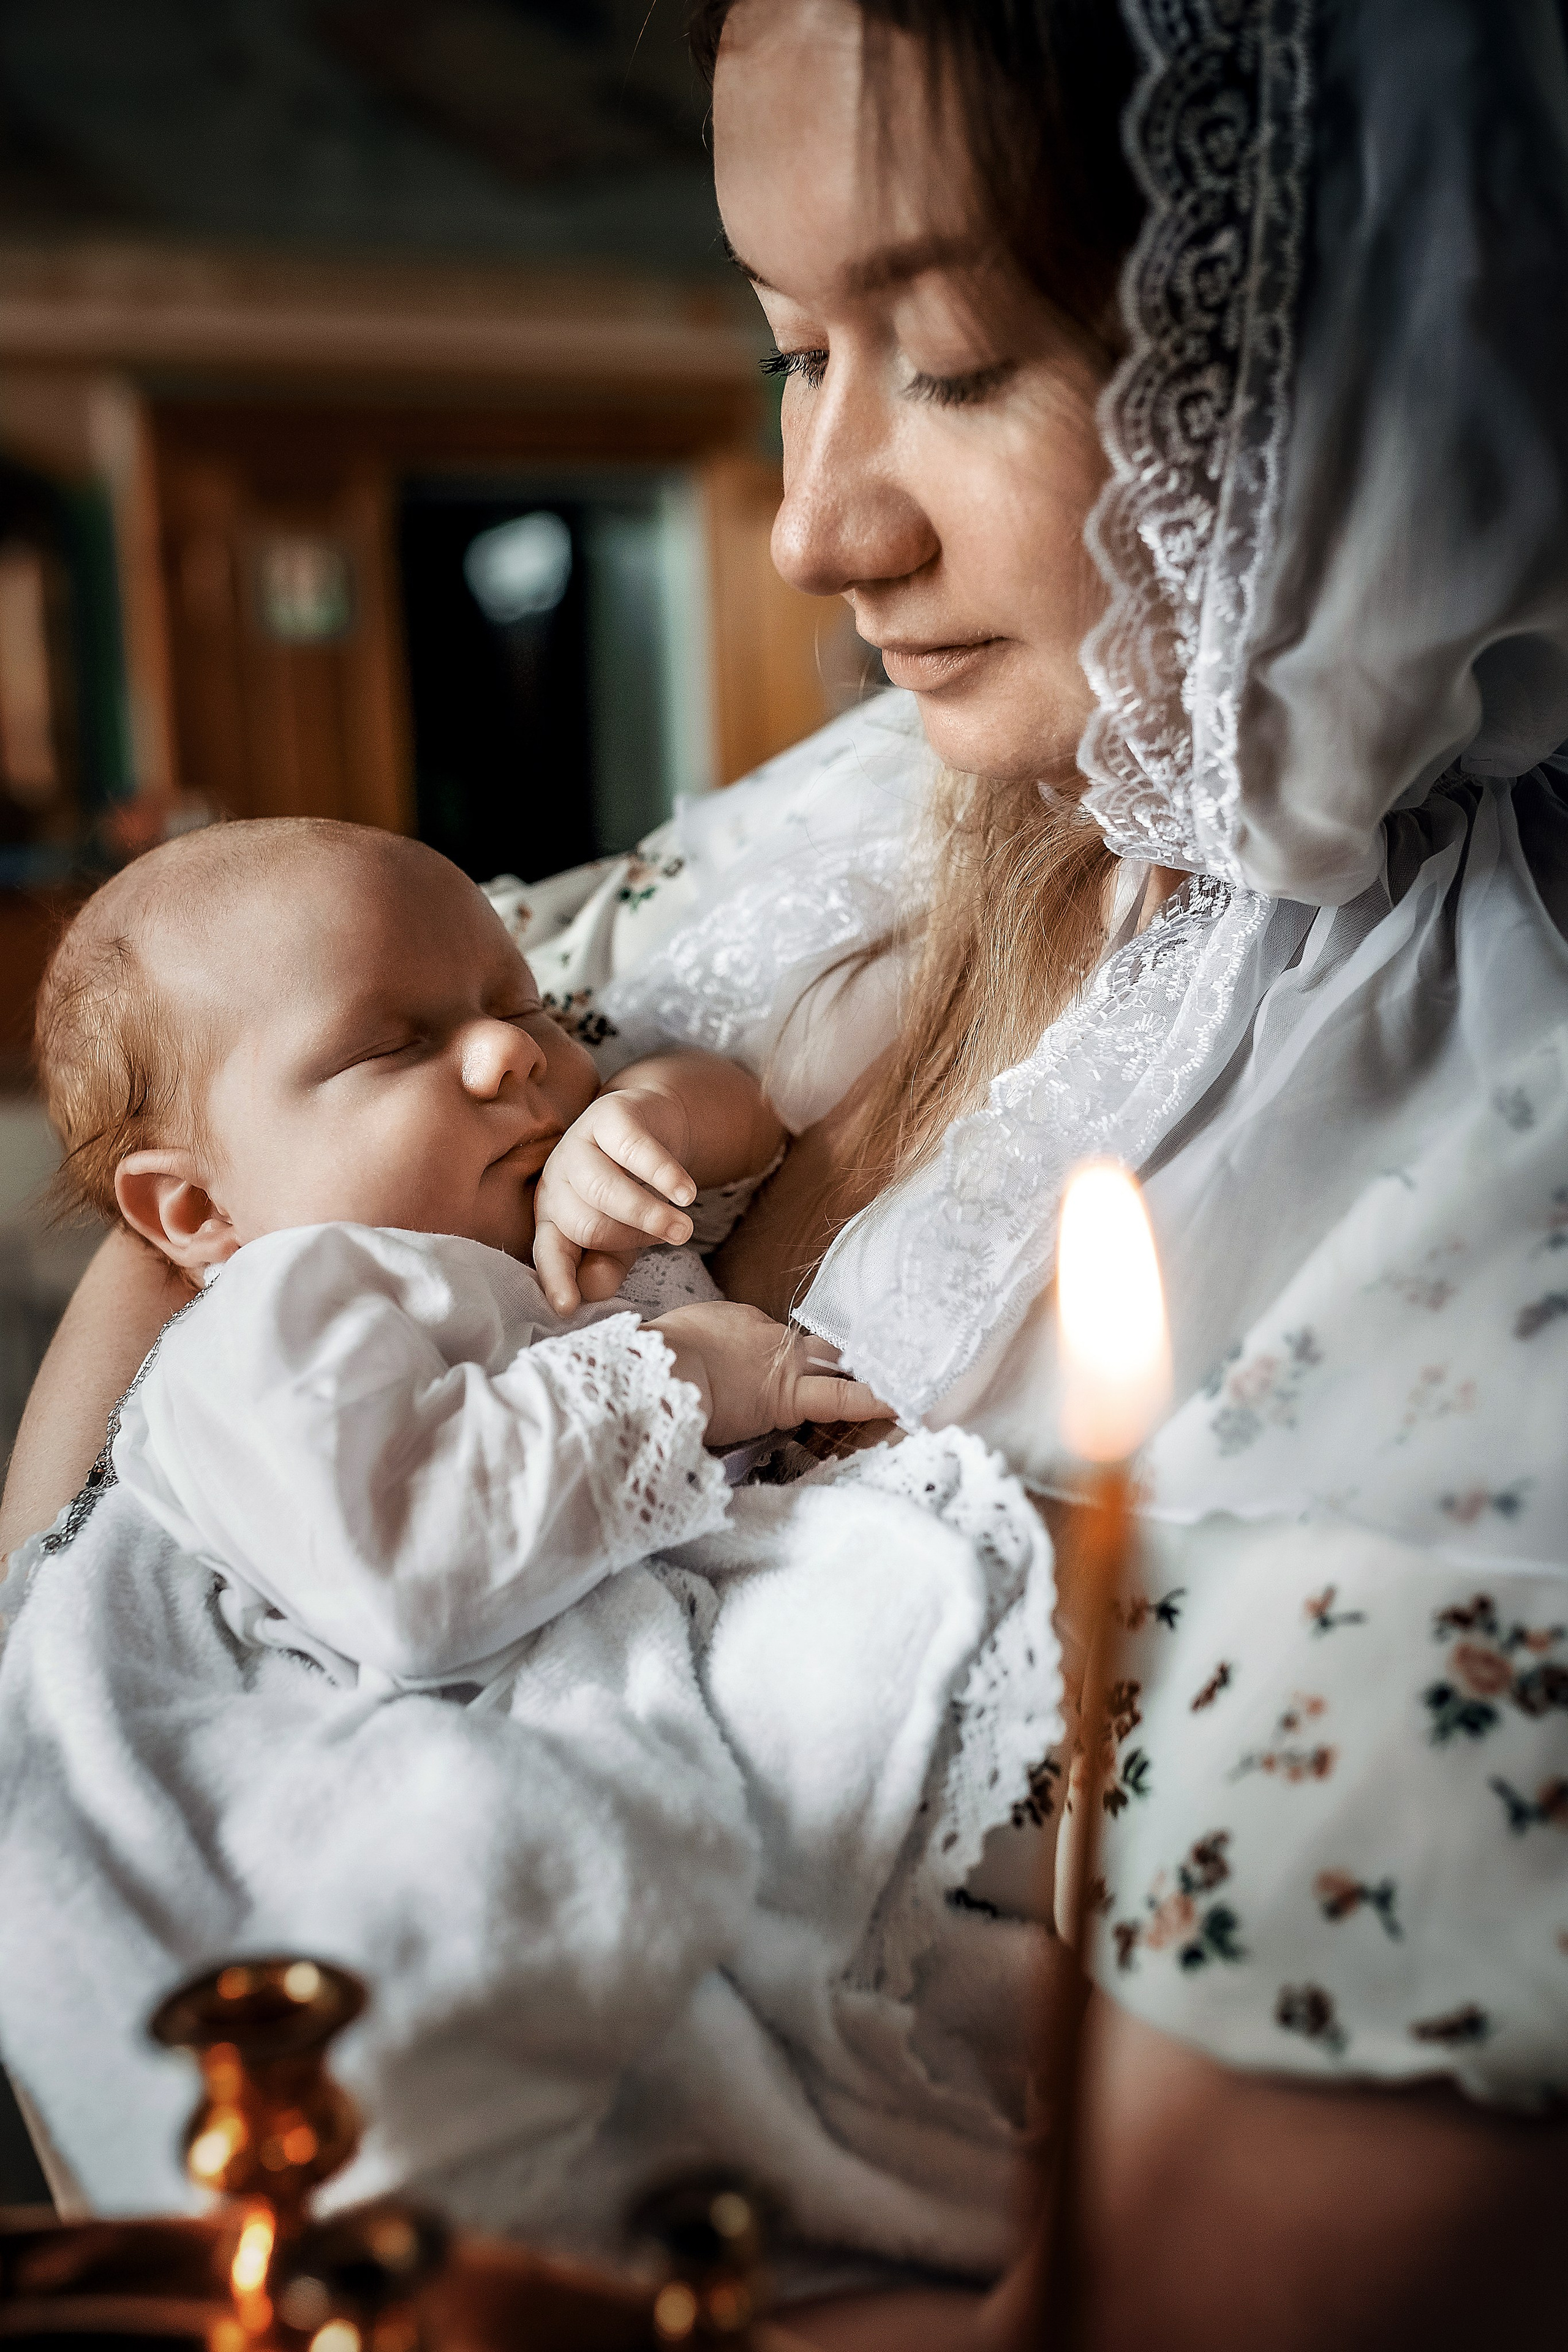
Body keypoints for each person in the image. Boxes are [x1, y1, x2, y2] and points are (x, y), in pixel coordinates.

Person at [5, 0, 1567, 2340]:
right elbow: (221, 1140)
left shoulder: (1487, 1154)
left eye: (944, 358)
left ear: (1361, 336)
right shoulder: (866, 827)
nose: (812, 524)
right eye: (784, 353)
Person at [26, 815, 884, 1687]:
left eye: (522, 1007)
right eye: (393, 1045)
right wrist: (685, 1376)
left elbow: (754, 1131)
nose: (512, 1049)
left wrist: (655, 1110)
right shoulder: (274, 1322)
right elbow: (401, 1563)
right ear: (199, 1207)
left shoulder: (573, 1197)